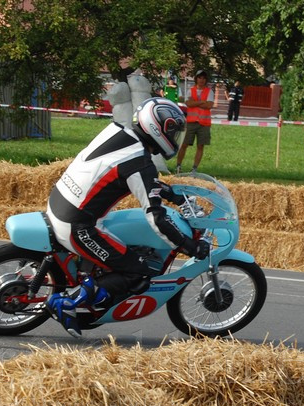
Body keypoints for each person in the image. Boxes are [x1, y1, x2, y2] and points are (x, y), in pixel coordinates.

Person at [45, 97, 210, 337]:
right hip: (76, 225)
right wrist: (188, 246)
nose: (175, 139)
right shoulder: (141, 163)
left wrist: (173, 195)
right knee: (139, 271)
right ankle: (68, 302)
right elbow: (156, 219)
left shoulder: (118, 134)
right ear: (158, 129)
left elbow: (136, 179)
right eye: (173, 132)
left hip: (59, 203)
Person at [175, 69, 214, 173]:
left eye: (204, 78)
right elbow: (188, 104)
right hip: (191, 122)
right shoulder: (190, 90)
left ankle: (194, 169)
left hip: (204, 123)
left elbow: (209, 105)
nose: (202, 80)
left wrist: (195, 102)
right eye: (200, 78)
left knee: (200, 146)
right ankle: (178, 166)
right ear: (196, 79)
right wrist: (202, 102)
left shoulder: (209, 91)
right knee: (184, 145)